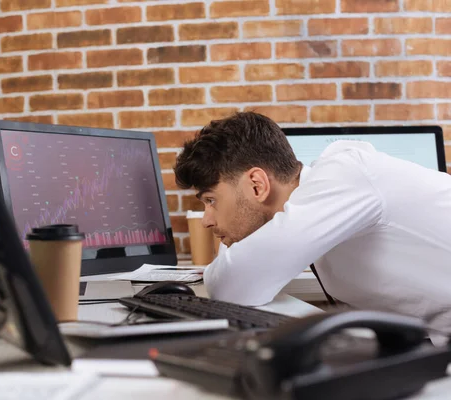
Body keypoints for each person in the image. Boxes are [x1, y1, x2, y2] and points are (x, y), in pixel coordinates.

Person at [174, 111, 451, 341]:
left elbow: (234, 284)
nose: (207, 220)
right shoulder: (321, 203)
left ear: (257, 185)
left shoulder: (345, 175)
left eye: (211, 200)